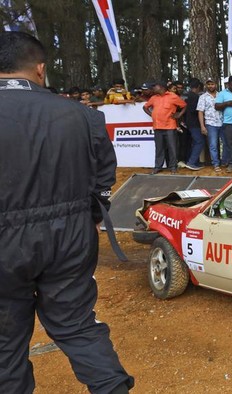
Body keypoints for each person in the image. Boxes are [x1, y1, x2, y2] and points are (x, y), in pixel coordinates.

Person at [0, 31, 134, 393]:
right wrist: (89, 214)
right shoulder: (81, 115)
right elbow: (104, 176)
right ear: (40, 69)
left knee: (4, 342)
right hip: (70, 235)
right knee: (77, 326)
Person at [143, 81, 187, 174]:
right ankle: (158, 167)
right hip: (157, 127)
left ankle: (173, 167)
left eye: (155, 86)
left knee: (172, 148)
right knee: (159, 148)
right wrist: (152, 115)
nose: (153, 88)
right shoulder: (154, 97)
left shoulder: (172, 96)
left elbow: (184, 105)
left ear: (161, 87)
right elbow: (145, 107)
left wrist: (179, 115)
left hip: (169, 126)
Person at [183, 79, 205, 170]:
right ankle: (191, 162)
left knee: (195, 142)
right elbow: (194, 110)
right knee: (199, 141)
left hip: (189, 122)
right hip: (195, 123)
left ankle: (194, 161)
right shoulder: (195, 97)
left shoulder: (187, 96)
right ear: (199, 87)